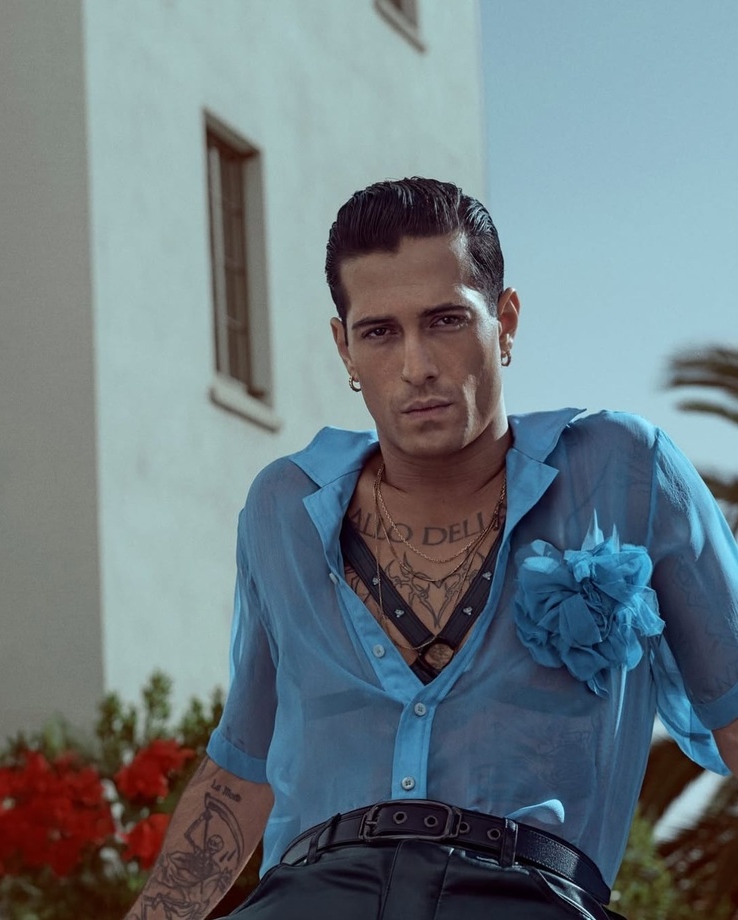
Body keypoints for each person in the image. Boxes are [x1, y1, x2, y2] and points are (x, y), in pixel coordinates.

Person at [124, 178, 738, 920]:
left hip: (527, 898)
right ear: (345, 348)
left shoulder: (623, 472)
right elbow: (240, 772)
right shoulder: (282, 508)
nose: (417, 366)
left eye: (446, 320)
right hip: (310, 898)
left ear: (505, 322)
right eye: (380, 332)